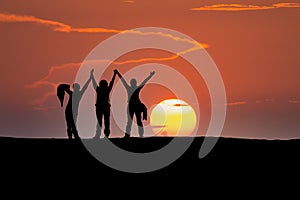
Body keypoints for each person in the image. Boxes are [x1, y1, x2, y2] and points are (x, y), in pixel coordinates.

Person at [116, 70, 155, 138]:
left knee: (135, 121)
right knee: (134, 121)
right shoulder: (134, 88)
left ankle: (135, 135)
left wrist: (150, 76)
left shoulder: (131, 88)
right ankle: (134, 135)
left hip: (134, 106)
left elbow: (123, 80)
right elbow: (123, 80)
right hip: (133, 106)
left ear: (131, 83)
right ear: (134, 83)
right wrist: (118, 73)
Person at [57, 74, 92, 139]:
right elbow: (85, 87)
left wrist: (90, 79)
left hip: (71, 111)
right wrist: (90, 79)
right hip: (70, 111)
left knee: (71, 124)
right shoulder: (76, 94)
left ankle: (73, 136)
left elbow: (85, 86)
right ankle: (73, 136)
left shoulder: (74, 94)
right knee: (71, 124)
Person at [91, 69, 117, 138]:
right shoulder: (106, 90)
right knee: (106, 121)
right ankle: (106, 135)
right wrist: (114, 75)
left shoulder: (99, 90)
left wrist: (92, 75)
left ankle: (99, 135)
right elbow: (112, 83)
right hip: (104, 107)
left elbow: (94, 84)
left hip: (101, 107)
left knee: (101, 121)